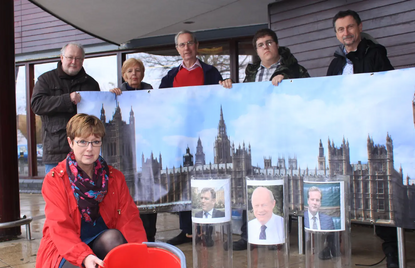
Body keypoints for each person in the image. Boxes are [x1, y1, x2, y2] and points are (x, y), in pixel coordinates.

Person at [30, 114, 147, 268]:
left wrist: (140, 253)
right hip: (65, 246)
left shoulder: (114, 177)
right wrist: (84, 257)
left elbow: (129, 218)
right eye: (82, 142)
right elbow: (60, 227)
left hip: (102, 240)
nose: (89, 149)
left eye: (95, 142)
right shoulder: (55, 179)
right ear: (70, 142)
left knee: (115, 237)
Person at [327, 9, 398, 268]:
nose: (346, 33)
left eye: (349, 27)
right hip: (344, 131)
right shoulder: (335, 63)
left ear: (359, 27)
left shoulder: (376, 54)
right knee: (337, 187)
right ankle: (332, 243)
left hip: (371, 129)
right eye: (340, 29)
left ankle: (391, 249)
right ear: (336, 34)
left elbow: (389, 88)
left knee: (384, 191)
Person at [233, 28, 310, 250]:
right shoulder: (251, 75)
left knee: (280, 185)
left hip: (283, 134)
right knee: (254, 185)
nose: (265, 47)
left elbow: (307, 93)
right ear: (257, 51)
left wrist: (288, 81)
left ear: (276, 45)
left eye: (269, 43)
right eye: (260, 45)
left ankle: (277, 236)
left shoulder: (295, 70)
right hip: (256, 135)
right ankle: (249, 236)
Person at [161, 30, 232, 245]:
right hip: (182, 135)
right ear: (177, 49)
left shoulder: (211, 72)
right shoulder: (170, 77)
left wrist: (226, 86)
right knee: (184, 179)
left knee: (203, 179)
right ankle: (187, 231)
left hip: (204, 132)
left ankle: (206, 230)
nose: (186, 48)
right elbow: (160, 103)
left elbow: (221, 99)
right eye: (182, 45)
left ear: (196, 45)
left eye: (190, 43)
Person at [31, 42, 100, 175]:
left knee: (84, 194)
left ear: (83, 60)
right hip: (56, 152)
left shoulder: (91, 83)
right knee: (56, 193)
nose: (74, 62)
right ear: (62, 58)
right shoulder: (46, 80)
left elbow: (97, 115)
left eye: (78, 58)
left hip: (85, 151)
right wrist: (66, 99)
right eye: (70, 57)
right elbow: (37, 105)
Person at [110, 58, 156, 242]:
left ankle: (150, 236)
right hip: (124, 167)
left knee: (147, 200)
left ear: (142, 74)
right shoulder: (117, 95)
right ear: (124, 75)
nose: (134, 74)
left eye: (137, 70)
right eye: (130, 71)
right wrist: (111, 95)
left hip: (144, 149)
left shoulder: (151, 92)